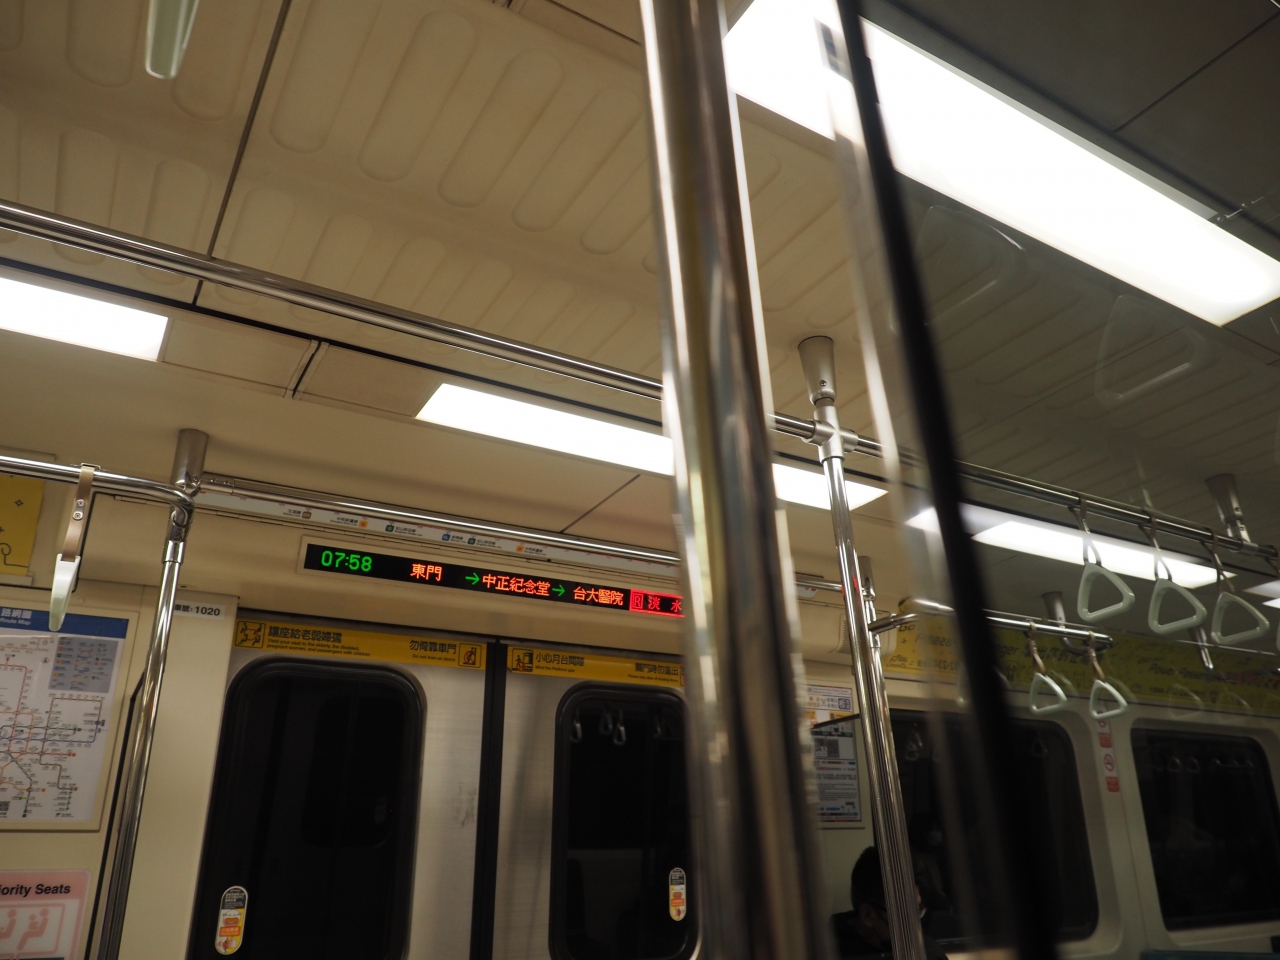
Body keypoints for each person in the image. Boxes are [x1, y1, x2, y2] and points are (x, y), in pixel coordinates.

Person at [830, 847, 949, 960]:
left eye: (918, 912)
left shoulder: (927, 952)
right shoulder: (829, 952)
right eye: (905, 914)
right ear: (868, 915)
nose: (914, 927)